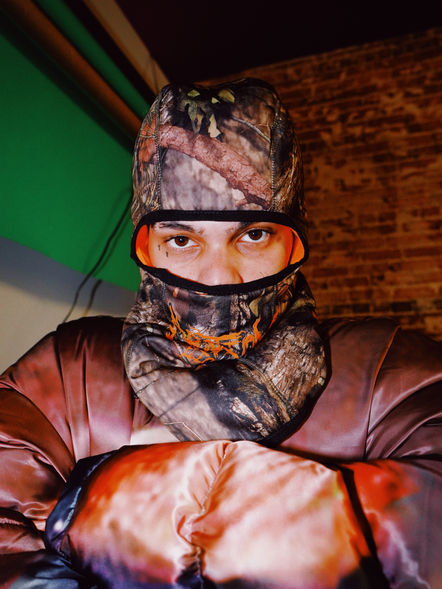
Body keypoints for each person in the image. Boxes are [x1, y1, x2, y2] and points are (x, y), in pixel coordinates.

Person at [0, 79, 440, 588]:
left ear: (294, 240)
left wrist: (96, 501)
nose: (217, 277)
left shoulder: (389, 377)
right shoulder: (67, 374)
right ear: (145, 246)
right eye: (181, 240)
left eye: (253, 234)